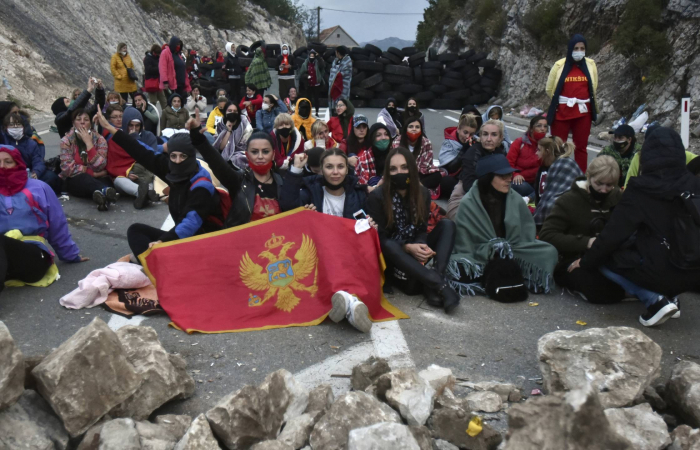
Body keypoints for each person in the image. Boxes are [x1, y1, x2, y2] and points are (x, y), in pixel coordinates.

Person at [573, 128, 700, 326]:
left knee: (608, 256)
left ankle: (655, 301)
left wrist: (586, 261)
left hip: (665, 271)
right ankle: (672, 297)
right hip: (694, 270)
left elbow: (613, 236)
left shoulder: (642, 188)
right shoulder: (694, 183)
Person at [95, 109, 222, 259]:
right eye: (173, 156)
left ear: (192, 157)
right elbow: (143, 152)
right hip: (182, 239)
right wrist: (111, 129)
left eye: (183, 156)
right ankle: (156, 265)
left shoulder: (202, 185)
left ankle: (159, 266)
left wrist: (163, 241)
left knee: (148, 252)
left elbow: (190, 223)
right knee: (136, 231)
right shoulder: (173, 170)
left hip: (203, 243)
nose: (178, 161)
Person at [449, 154, 558, 297]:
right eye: (503, 176)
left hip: (513, 248)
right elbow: (465, 243)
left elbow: (526, 235)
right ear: (487, 178)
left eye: (510, 175)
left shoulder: (515, 198)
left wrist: (505, 247)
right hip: (480, 253)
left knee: (549, 252)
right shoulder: (469, 203)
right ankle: (511, 274)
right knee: (458, 266)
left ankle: (506, 273)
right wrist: (493, 247)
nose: (509, 179)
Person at [366, 147, 460, 313]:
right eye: (393, 169)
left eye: (404, 167)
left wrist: (421, 246)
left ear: (412, 168)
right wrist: (407, 247)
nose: (399, 172)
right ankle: (439, 283)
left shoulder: (422, 193)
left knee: (447, 225)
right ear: (387, 173)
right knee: (390, 246)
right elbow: (380, 241)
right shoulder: (377, 197)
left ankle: (435, 280)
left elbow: (422, 230)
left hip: (414, 249)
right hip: (393, 256)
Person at [0, 146, 88, 295]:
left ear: (18, 163)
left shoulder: (39, 188)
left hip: (33, 258)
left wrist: (71, 255)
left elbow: (57, 225)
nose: (2, 167)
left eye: (8, 162)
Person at [540, 156, 625, 304]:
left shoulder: (617, 197)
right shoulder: (568, 200)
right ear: (589, 176)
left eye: (609, 185)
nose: (604, 190)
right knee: (599, 289)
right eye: (599, 183)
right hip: (572, 259)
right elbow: (547, 234)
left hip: (608, 256)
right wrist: (586, 242)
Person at [195, 119, 284, 226]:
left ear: (273, 154)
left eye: (265, 151)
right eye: (254, 152)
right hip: (245, 240)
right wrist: (199, 140)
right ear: (247, 155)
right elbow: (217, 163)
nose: (260, 156)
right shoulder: (238, 181)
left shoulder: (284, 183)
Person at [546, 34, 598, 172]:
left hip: (583, 112)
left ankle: (580, 177)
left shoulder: (590, 65)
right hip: (562, 112)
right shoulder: (559, 65)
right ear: (570, 49)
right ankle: (556, 173)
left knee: (581, 147)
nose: (579, 51)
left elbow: (593, 86)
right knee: (558, 147)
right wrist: (563, 101)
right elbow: (550, 88)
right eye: (576, 48)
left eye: (582, 48)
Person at [447, 119, 508, 220]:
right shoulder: (473, 152)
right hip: (465, 196)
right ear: (480, 136)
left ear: (500, 138)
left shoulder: (500, 153)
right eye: (485, 134)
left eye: (494, 135)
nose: (488, 139)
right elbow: (468, 185)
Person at [281, 148, 367, 218]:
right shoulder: (310, 193)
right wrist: (296, 169)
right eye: (329, 167)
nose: (335, 172)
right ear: (321, 170)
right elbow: (288, 207)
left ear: (347, 169)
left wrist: (371, 227)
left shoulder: (359, 195)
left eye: (340, 166)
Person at [59, 109, 116, 210]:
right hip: (77, 179)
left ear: (91, 123)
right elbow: (67, 168)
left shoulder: (99, 139)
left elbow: (101, 165)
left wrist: (89, 144)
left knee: (106, 181)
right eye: (78, 119)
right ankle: (105, 193)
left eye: (86, 119)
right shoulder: (66, 140)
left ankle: (102, 198)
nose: (82, 122)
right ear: (73, 123)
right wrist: (93, 173)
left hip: (98, 179)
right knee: (85, 178)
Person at [103, 105, 158, 209]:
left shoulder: (148, 136)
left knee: (153, 177)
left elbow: (153, 157)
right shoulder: (118, 137)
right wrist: (128, 173)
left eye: (137, 126)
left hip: (145, 173)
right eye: (130, 125)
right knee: (118, 180)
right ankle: (142, 193)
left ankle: (146, 193)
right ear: (125, 124)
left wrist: (135, 139)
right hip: (126, 176)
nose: (134, 129)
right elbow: (115, 163)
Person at [2, 113, 61, 195]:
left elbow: (38, 161)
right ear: (5, 128)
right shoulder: (3, 142)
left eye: (18, 124)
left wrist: (36, 172)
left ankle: (39, 195)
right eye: (11, 125)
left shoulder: (31, 143)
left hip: (28, 173)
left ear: (23, 127)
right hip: (8, 173)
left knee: (51, 177)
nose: (15, 127)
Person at [533, 136, 582, 227]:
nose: (536, 153)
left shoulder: (563, 165)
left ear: (547, 151)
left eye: (539, 150)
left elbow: (551, 202)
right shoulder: (544, 167)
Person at [392, 117, 442, 194]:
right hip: (403, 172)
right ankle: (417, 188)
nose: (414, 129)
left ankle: (411, 188)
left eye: (417, 127)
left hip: (420, 173)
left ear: (421, 130)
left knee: (437, 176)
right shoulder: (397, 142)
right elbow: (396, 163)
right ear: (406, 129)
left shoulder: (426, 142)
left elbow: (426, 166)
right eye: (411, 127)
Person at [507, 115, 548, 198]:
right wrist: (515, 174)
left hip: (538, 182)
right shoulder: (519, 143)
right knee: (518, 185)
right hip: (521, 181)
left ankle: (531, 197)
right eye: (539, 126)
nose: (542, 129)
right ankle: (534, 197)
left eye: (545, 126)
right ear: (531, 128)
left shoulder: (548, 145)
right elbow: (509, 163)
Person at [439, 114, 478, 197]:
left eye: (471, 134)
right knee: (446, 182)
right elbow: (451, 168)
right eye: (465, 132)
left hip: (468, 176)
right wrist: (465, 149)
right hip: (453, 176)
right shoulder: (449, 142)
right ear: (458, 129)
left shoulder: (475, 142)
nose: (467, 137)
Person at [213, 102, 253, 168]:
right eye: (229, 111)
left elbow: (244, 145)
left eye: (235, 111)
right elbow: (221, 147)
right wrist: (228, 130)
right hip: (224, 152)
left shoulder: (244, 122)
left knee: (237, 159)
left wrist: (233, 150)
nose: (232, 112)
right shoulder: (220, 124)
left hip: (241, 152)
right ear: (225, 112)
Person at [356, 123, 393, 189]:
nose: (383, 138)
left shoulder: (396, 155)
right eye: (378, 135)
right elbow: (360, 184)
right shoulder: (363, 158)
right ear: (372, 139)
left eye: (386, 134)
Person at [297, 50, 325, 116]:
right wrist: (307, 76)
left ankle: (317, 111)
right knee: (308, 99)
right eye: (310, 55)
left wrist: (318, 57)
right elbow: (301, 73)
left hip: (316, 84)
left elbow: (322, 66)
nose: (311, 57)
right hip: (308, 84)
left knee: (316, 99)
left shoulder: (317, 62)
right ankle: (308, 112)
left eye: (313, 56)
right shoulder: (306, 63)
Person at [143, 44, 168, 110]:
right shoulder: (148, 58)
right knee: (153, 102)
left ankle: (167, 115)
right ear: (154, 52)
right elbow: (148, 70)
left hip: (159, 82)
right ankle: (153, 116)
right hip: (152, 82)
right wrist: (159, 68)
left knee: (163, 100)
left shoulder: (158, 58)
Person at [328, 46, 352, 115]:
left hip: (344, 87)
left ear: (338, 53)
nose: (335, 53)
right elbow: (334, 71)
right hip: (335, 86)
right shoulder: (336, 61)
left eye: (336, 52)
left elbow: (341, 73)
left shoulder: (348, 62)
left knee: (343, 103)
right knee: (335, 106)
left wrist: (334, 70)